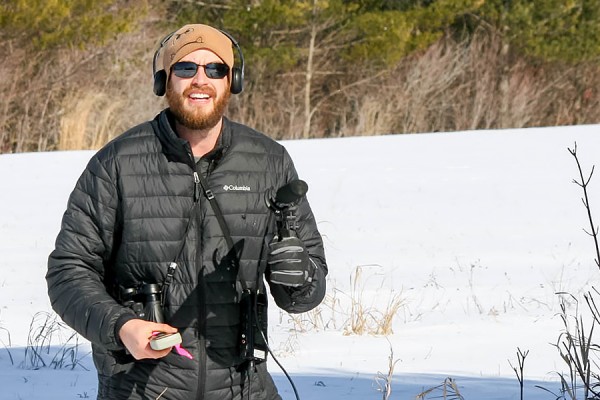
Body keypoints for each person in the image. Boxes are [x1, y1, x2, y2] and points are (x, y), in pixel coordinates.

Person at [46, 23, 327, 400]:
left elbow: (306, 293)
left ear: (233, 80)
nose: (201, 80)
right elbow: (68, 271)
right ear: (164, 79)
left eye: (215, 69)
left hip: (245, 390)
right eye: (185, 68)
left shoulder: (269, 162)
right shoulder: (117, 163)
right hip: (141, 390)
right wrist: (122, 326)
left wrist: (300, 278)